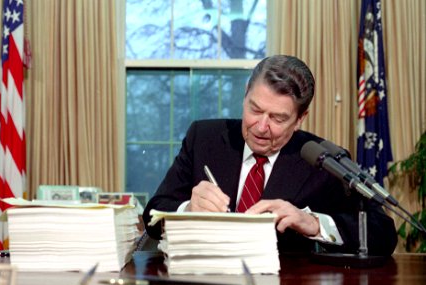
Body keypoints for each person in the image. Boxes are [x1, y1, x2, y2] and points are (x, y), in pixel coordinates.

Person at [142, 55, 397, 255]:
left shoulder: (323, 160)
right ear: (245, 94)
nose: (261, 127)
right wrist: (188, 209)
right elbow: (153, 215)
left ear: (300, 119)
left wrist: (313, 223)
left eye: (278, 118)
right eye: (255, 109)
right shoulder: (204, 138)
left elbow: (383, 234)